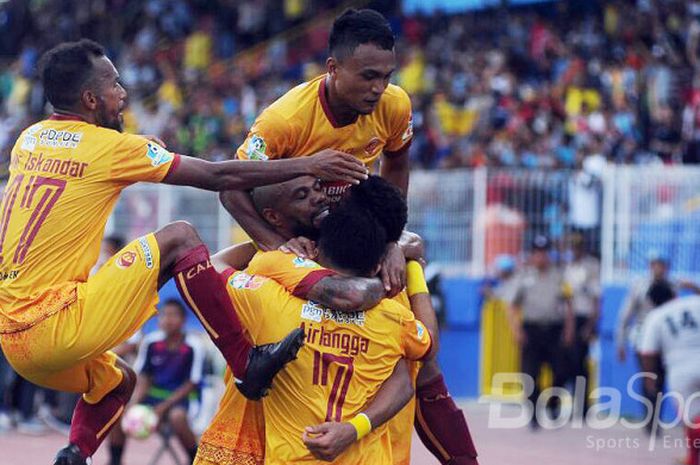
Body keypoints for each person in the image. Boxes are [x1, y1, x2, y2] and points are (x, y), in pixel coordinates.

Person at [0, 39, 367, 465]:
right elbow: (217, 175)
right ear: (90, 98)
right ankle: (246, 362)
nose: (123, 93)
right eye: (115, 84)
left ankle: (76, 453)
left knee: (118, 384)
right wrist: (309, 164)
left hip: (13, 339)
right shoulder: (112, 148)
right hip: (57, 324)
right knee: (181, 237)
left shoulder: (29, 139)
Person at [197, 175, 477, 465]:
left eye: (318, 188)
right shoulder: (392, 307)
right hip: (367, 449)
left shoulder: (271, 286)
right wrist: (413, 265)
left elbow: (212, 266)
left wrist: (266, 245)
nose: (319, 198)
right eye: (301, 195)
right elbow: (417, 359)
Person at [222, 8, 413, 295]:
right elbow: (229, 187)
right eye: (368, 76)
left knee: (414, 254)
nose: (379, 88)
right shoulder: (284, 120)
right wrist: (275, 243)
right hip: (297, 241)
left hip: (351, 238)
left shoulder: (395, 104)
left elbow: (396, 164)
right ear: (333, 68)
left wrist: (390, 240)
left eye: (387, 77)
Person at [109, 299, 205, 465]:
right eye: (164, 315)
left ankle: (194, 459)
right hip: (152, 398)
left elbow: (192, 383)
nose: (168, 319)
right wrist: (134, 402)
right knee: (118, 414)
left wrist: (162, 408)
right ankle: (115, 461)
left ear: (183, 320)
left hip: (181, 401)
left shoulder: (193, 345)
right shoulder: (151, 342)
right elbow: (143, 376)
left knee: (177, 417)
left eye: (173, 315)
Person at [507, 235, 575, 429]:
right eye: (537, 253)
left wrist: (569, 330)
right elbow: (512, 306)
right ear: (532, 255)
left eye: (544, 253)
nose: (541, 257)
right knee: (529, 374)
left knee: (561, 371)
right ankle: (534, 413)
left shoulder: (558, 276)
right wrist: (516, 330)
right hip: (531, 330)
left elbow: (569, 304)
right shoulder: (524, 276)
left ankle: (553, 404)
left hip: (554, 330)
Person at [638, 283, 700, 463]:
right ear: (674, 292)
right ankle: (692, 458)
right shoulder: (695, 301)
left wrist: (649, 379)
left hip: (680, 371)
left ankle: (693, 458)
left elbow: (648, 353)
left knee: (692, 420)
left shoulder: (656, 316)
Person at [563, 234, 601, 413]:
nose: (575, 250)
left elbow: (596, 298)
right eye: (572, 247)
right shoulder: (568, 267)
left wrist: (591, 325)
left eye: (577, 247)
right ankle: (574, 403)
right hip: (568, 319)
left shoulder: (591, 267)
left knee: (580, 364)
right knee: (569, 362)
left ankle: (582, 407)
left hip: (584, 318)